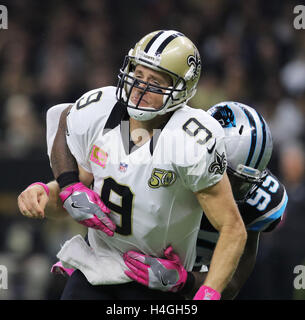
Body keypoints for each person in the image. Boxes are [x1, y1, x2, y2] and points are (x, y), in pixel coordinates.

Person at [18, 30, 247, 300]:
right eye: (138, 75)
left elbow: (233, 228)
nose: (141, 86)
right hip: (97, 270)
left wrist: (207, 293)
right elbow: (73, 199)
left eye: (155, 81)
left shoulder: (192, 138)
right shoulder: (100, 112)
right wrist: (44, 193)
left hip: (158, 283)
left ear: (181, 89)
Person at [122, 101, 288, 299]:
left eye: (242, 183)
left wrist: (185, 280)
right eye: (227, 177)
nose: (232, 189)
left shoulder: (256, 203)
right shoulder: (161, 156)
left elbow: (233, 283)